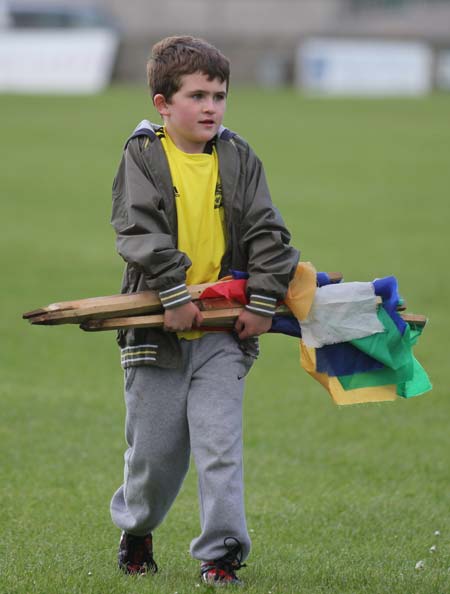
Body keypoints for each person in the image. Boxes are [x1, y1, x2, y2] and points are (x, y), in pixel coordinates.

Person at [110, 35, 299, 585]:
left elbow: (269, 234)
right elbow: (136, 231)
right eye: (197, 95)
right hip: (158, 330)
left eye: (219, 95)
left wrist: (263, 302)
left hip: (222, 332)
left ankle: (220, 555)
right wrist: (172, 296)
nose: (211, 106)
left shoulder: (238, 156)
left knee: (220, 447)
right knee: (155, 459)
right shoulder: (143, 154)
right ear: (163, 104)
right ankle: (138, 527)